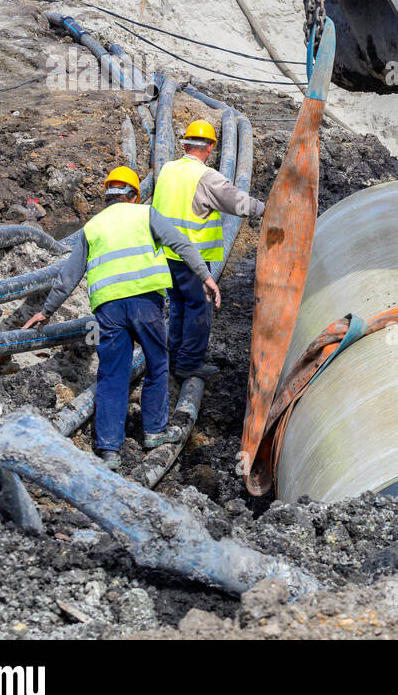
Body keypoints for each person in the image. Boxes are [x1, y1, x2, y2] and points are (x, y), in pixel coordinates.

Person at [23, 167, 220, 470]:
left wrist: (46, 310)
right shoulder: (145, 215)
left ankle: (109, 449)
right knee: (157, 364)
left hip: (108, 310)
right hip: (144, 303)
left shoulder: (92, 226)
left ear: (107, 196)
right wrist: (205, 277)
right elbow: (181, 244)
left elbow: (69, 275)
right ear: (133, 195)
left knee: (112, 375)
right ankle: (154, 431)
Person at [152, 120, 264, 379]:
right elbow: (237, 203)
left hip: (165, 254)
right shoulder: (206, 177)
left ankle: (174, 355)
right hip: (193, 259)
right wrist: (265, 209)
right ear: (211, 147)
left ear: (185, 143)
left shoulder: (167, 169)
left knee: (179, 305)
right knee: (199, 308)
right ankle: (189, 364)